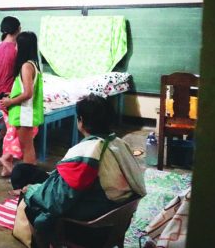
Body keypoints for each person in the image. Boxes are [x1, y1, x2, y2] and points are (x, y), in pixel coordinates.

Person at [19, 94, 147, 246]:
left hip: (93, 225)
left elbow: (57, 202)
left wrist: (32, 190)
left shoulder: (86, 153)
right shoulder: (119, 144)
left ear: (80, 120)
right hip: (118, 214)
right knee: (33, 177)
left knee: (36, 207)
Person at [0, 31, 42, 166]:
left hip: (25, 113)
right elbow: (25, 90)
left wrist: (10, 101)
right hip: (26, 112)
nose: (15, 47)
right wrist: (11, 96)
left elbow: (28, 93)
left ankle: (28, 182)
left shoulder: (26, 66)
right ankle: (28, 180)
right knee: (28, 148)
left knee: (27, 149)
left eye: (16, 44)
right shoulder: (32, 64)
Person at [0, 16, 22, 177]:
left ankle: (5, 166)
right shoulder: (16, 49)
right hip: (11, 96)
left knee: (10, 129)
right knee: (20, 129)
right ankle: (7, 159)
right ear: (18, 29)